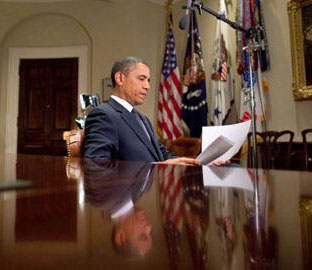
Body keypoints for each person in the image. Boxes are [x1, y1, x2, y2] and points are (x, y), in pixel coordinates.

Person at [83, 56, 199, 166]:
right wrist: (154, 167)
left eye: (148, 80)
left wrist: (191, 163)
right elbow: (96, 164)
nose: (147, 86)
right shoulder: (103, 115)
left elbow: (160, 154)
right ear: (120, 78)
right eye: (142, 79)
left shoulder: (142, 119)